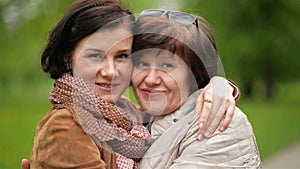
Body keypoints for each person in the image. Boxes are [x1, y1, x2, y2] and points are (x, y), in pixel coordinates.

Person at [24, 0, 240, 168]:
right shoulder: (67, 126)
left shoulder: (127, 116)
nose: (110, 72)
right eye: (94, 55)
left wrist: (219, 86)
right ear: (67, 58)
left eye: (122, 56)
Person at [130, 9, 262, 168]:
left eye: (167, 65)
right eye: (142, 64)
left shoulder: (217, 124)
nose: (150, 79)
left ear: (194, 74)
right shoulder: (132, 120)